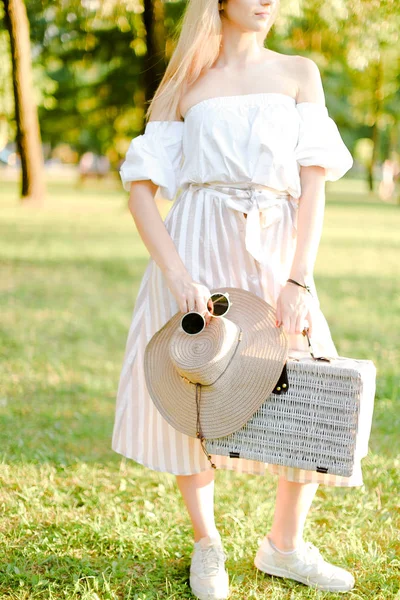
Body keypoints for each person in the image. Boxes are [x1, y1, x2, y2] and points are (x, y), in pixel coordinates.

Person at [112, 0, 360, 597]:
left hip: (274, 243)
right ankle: (207, 544)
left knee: (306, 382)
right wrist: (177, 277)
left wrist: (299, 278)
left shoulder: (300, 72)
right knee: (191, 389)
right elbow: (142, 191)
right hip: (195, 244)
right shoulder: (186, 83)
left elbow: (313, 184)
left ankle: (285, 546)